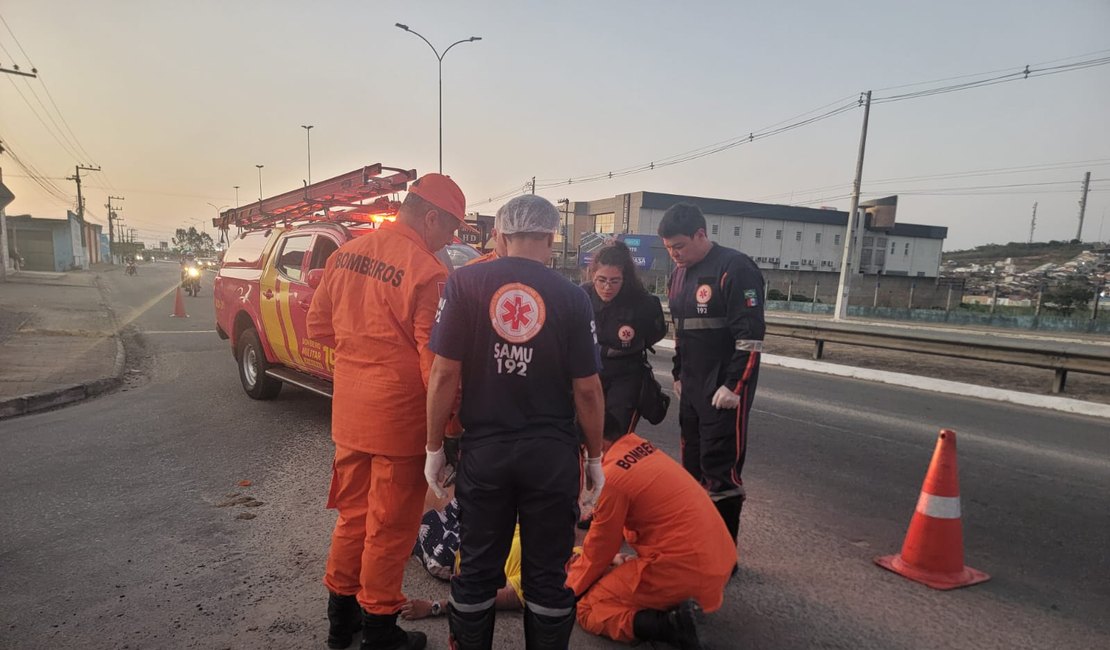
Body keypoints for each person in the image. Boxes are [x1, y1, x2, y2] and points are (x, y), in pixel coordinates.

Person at [424, 194, 606, 650]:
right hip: (551, 456)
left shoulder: (464, 283)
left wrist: (432, 449)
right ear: (551, 236)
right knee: (547, 578)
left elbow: (443, 373)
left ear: (500, 236)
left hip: (485, 453)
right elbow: (587, 389)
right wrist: (597, 458)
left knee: (479, 570)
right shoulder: (572, 297)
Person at [307, 173, 474, 650]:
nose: (451, 240)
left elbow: (319, 326)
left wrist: (364, 351)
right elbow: (435, 368)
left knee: (352, 518)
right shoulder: (428, 273)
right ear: (430, 217)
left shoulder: (343, 255)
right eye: (452, 229)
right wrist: (451, 427)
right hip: (400, 423)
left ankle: (342, 622)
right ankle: (380, 631)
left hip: (350, 417)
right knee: (390, 528)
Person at [567, 417, 736, 649]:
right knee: (611, 573)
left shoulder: (612, 478)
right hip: (718, 559)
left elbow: (600, 550)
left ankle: (669, 625)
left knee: (588, 607)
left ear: (594, 446)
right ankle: (669, 604)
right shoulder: (639, 446)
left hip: (688, 572)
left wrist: (569, 590)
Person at [659, 203, 765, 548]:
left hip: (723, 389)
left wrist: (736, 385)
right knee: (692, 466)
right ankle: (695, 547)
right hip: (691, 386)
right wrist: (678, 373)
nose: (674, 254)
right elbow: (682, 331)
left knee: (720, 470)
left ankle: (723, 556)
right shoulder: (678, 275)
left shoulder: (734, 268)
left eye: (679, 246)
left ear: (700, 235)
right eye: (668, 248)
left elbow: (750, 336)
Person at [582, 240, 667, 437]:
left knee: (615, 439)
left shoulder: (642, 302)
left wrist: (630, 346)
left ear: (625, 278)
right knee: (584, 435)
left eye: (614, 281)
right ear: (592, 275)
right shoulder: (582, 295)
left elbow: (656, 332)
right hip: (590, 373)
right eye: (601, 280)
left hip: (626, 375)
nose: (607, 287)